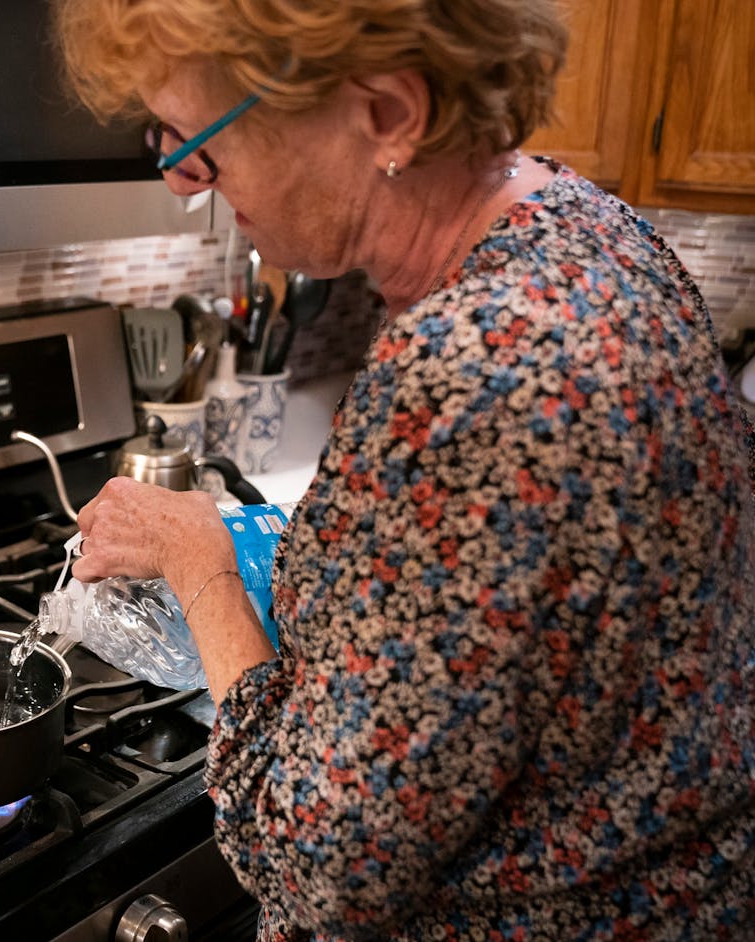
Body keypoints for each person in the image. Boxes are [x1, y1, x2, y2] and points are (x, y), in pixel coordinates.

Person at [53, 0, 755, 938]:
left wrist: (203, 561)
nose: (183, 182)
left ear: (388, 112)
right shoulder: (587, 226)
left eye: (199, 142)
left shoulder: (473, 371)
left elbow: (314, 867)